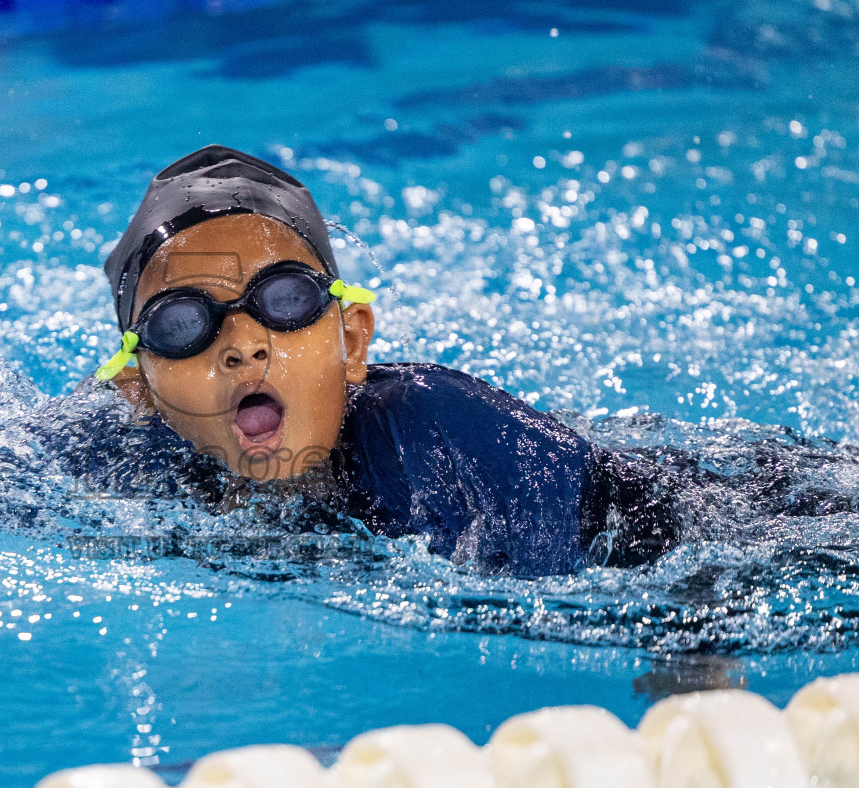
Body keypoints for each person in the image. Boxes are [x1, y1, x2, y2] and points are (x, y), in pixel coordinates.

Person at [62, 144, 684, 575]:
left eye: (285, 298)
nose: (243, 344)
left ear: (353, 341)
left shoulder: (441, 433)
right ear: (138, 389)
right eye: (182, 323)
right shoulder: (107, 476)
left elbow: (661, 530)